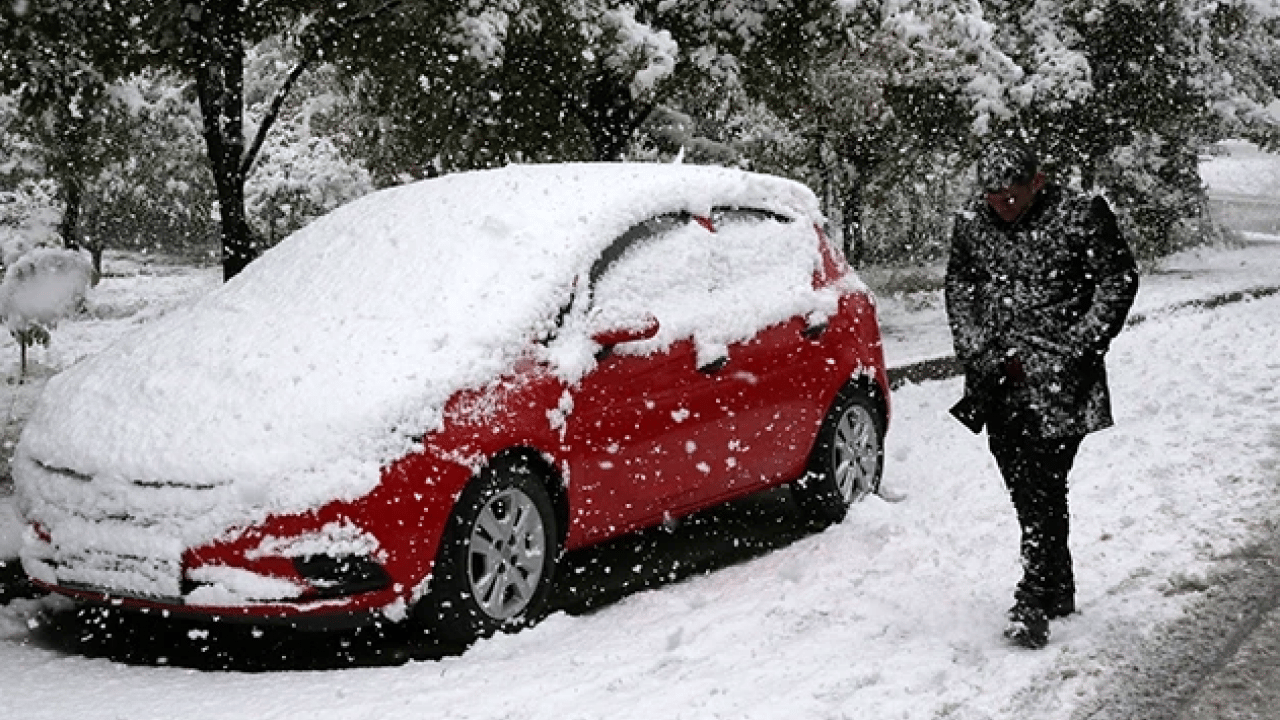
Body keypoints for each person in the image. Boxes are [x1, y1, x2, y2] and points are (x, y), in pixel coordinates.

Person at [944, 138, 1139, 649]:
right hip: (997, 379)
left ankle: (1032, 596)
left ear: (1038, 181)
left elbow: (1117, 280)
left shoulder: (1081, 216)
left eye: (1012, 194)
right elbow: (959, 286)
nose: (1001, 204)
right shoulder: (972, 224)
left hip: (1060, 382)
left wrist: (1078, 346)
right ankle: (1059, 585)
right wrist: (973, 345)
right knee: (1023, 482)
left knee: (1044, 481)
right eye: (993, 195)